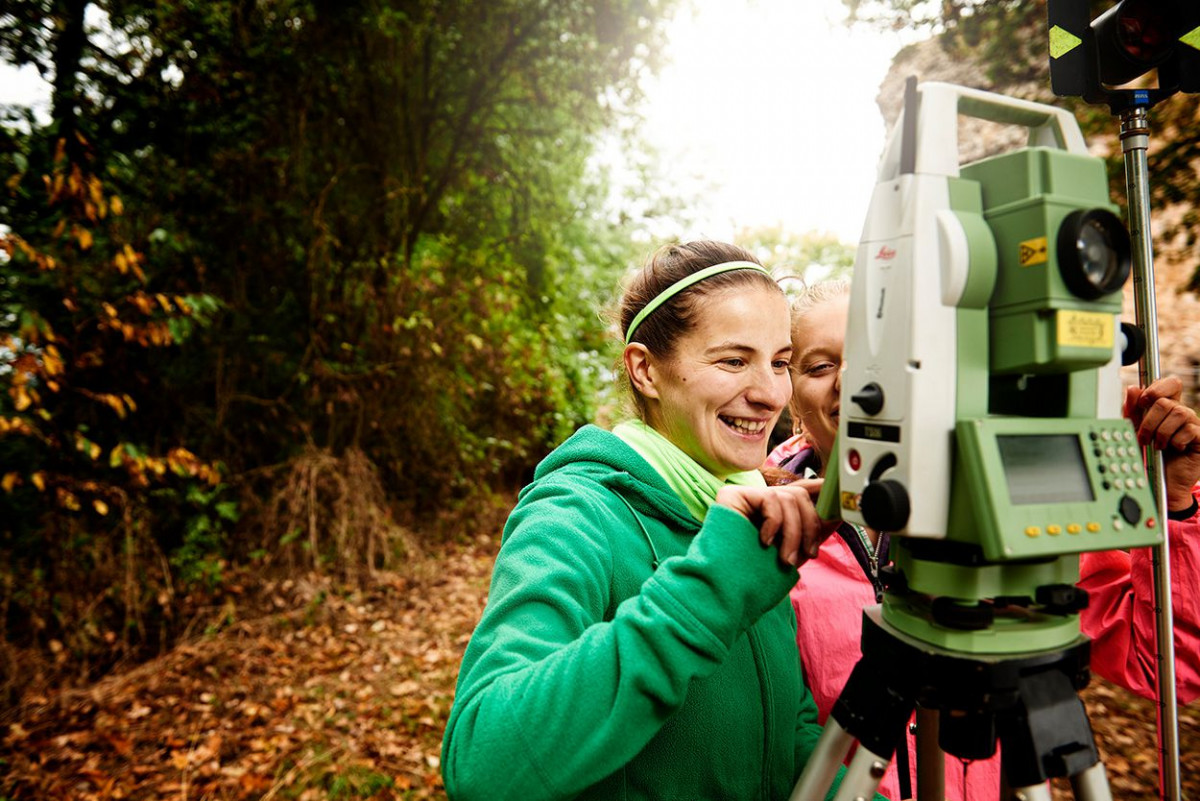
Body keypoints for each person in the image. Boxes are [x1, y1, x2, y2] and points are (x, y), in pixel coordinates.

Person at [440, 241, 881, 801]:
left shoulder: (750, 512)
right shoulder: (577, 514)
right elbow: (481, 762)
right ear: (646, 369)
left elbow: (786, 734)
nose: (770, 394)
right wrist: (710, 587)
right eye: (732, 360)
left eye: (780, 362)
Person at [768, 278, 1200, 800]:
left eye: (877, 354)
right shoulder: (767, 529)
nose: (854, 380)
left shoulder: (1010, 506)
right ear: (793, 395)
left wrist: (1176, 505)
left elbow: (1162, 665)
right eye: (820, 365)